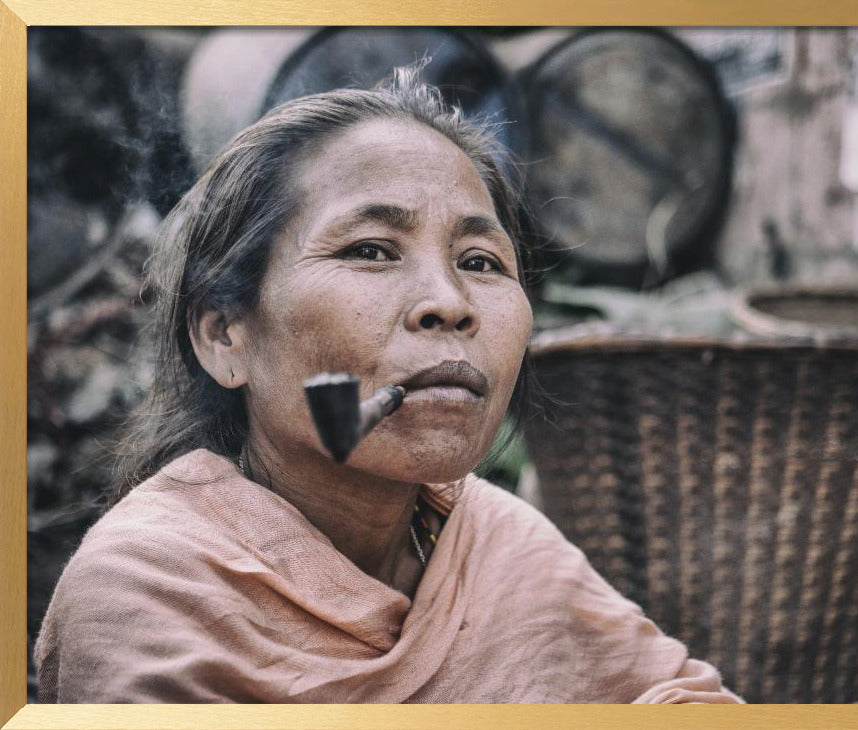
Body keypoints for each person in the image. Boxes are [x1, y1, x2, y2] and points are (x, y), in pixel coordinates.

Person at [33, 66, 742, 704]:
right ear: (226, 336)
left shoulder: (495, 541)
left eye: (482, 260)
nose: (450, 301)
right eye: (370, 250)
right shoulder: (149, 592)